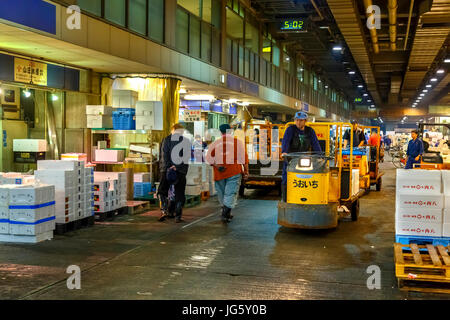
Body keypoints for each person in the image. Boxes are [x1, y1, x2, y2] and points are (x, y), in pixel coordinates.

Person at [206, 124, 249, 223]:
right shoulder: (237, 142)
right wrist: (246, 171)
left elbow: (209, 159)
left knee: (221, 193)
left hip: (219, 173)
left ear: (221, 132)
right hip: (233, 171)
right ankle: (225, 214)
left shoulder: (215, 143)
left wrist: (217, 166)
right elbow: (244, 159)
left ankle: (226, 212)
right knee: (230, 193)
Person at [280, 111, 322, 202]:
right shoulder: (290, 129)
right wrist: (284, 152)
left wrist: (319, 156)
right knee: (286, 177)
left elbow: (315, 143)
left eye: (301, 120)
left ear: (305, 121)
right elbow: (285, 141)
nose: (299, 122)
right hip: (291, 159)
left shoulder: (310, 131)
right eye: (297, 120)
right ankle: (286, 199)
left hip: (304, 159)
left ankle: (307, 197)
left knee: (308, 177)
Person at [157, 123, 192, 223]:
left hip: (167, 170)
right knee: (179, 192)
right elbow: (186, 157)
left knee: (162, 190)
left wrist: (169, 166)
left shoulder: (166, 140)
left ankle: (164, 211)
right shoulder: (186, 141)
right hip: (180, 171)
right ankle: (178, 216)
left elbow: (164, 154)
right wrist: (177, 167)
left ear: (173, 130)